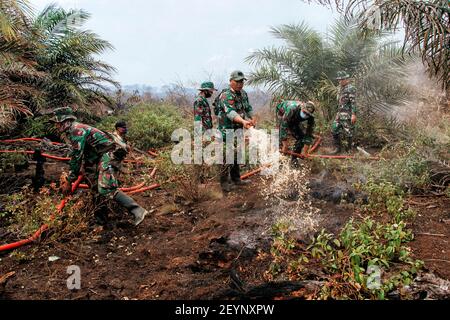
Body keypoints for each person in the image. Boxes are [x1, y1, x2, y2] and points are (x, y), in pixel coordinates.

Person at [50, 107, 148, 226]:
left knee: (106, 188)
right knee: (94, 187)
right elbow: (86, 151)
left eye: (58, 123)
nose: (56, 126)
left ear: (66, 121)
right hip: (98, 157)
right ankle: (101, 220)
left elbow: (76, 156)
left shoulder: (76, 130)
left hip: (109, 154)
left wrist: (70, 179)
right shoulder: (73, 130)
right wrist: (83, 169)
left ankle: (137, 210)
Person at [217, 70, 256, 193]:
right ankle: (224, 184)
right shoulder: (226, 95)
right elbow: (230, 112)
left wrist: (252, 117)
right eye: (237, 81)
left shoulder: (243, 93)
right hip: (226, 129)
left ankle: (236, 179)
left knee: (237, 154)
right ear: (231, 81)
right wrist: (243, 121)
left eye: (242, 81)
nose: (240, 84)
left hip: (238, 129)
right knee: (226, 156)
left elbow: (248, 107)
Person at [277, 100, 316, 166]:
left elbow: (309, 133)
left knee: (301, 138)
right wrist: (285, 144)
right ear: (302, 108)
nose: (305, 115)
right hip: (282, 112)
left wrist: (305, 151)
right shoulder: (292, 109)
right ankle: (279, 158)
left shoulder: (311, 118)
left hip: (295, 119)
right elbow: (283, 125)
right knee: (280, 136)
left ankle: (294, 159)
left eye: (308, 114)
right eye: (304, 112)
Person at [331, 71, 358, 154]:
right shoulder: (340, 88)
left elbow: (353, 102)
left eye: (342, 79)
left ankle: (348, 150)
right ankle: (337, 148)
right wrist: (337, 113)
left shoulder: (351, 88)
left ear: (346, 79)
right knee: (334, 129)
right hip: (340, 114)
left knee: (348, 132)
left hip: (347, 114)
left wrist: (353, 114)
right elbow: (340, 102)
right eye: (339, 80)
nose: (340, 81)